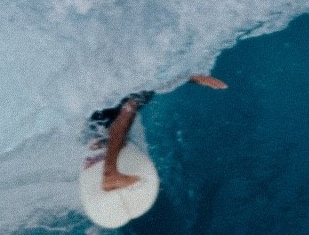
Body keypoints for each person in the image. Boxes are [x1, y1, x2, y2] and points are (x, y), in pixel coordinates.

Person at [88, 75, 227, 191]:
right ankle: (110, 173)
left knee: (124, 108)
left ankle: (102, 141)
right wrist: (194, 78)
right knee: (130, 107)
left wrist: (194, 78)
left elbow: (165, 71)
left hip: (99, 108)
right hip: (109, 104)